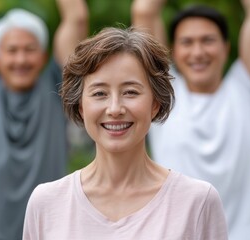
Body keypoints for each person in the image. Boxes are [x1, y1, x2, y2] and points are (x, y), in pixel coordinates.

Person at [23, 27, 228, 240]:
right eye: (99, 93)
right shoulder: (46, 203)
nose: (114, 109)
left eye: (130, 92)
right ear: (81, 106)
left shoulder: (197, 202)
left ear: (155, 103)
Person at [132, 0, 250, 239]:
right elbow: (144, 10)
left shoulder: (246, 89)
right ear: (172, 51)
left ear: (226, 48)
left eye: (208, 40)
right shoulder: (163, 97)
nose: (198, 52)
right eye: (187, 42)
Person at [0, 0, 88, 239]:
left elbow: (77, 18)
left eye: (29, 49)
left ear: (44, 56)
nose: (20, 60)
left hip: (49, 227)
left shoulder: (58, 87)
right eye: (11, 50)